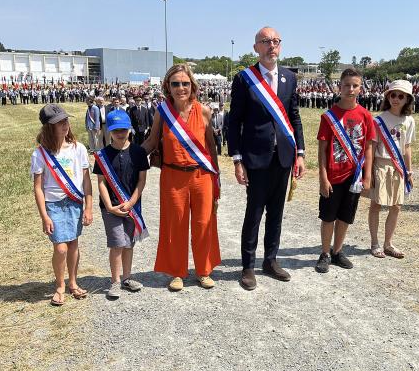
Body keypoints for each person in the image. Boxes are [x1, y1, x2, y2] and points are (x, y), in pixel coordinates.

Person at [228, 26, 306, 290]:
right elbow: (234, 121)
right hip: (256, 157)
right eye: (265, 41)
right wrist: (237, 159)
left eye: (275, 41)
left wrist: (300, 153)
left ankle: (270, 260)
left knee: (276, 213)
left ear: (280, 46)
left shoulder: (289, 78)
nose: (271, 45)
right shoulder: (244, 79)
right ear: (256, 48)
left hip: (283, 156)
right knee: (254, 213)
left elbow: (294, 117)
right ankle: (248, 266)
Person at [143, 63, 221, 292]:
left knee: (203, 223)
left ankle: (203, 270)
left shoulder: (204, 111)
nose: (181, 88)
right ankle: (177, 272)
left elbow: (211, 148)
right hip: (172, 177)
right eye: (175, 83)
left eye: (185, 83)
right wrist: (128, 157)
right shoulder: (162, 111)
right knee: (175, 225)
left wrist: (217, 178)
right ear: (168, 86)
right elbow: (150, 141)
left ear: (192, 85)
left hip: (201, 176)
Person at [31, 104, 93, 306]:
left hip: (74, 202)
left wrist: (89, 206)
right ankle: (59, 286)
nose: (65, 125)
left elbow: (86, 180)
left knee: (73, 244)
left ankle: (73, 283)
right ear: (49, 127)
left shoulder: (79, 148)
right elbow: (38, 187)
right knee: (61, 248)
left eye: (66, 120)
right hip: (54, 205)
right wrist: (44, 216)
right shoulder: (40, 154)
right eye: (59, 123)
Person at [315, 67, 375, 273]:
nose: (350, 89)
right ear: (339, 87)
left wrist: (367, 176)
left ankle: (337, 251)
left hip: (354, 177)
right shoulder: (329, 117)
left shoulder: (366, 116)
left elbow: (368, 147)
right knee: (328, 217)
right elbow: (322, 150)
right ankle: (324, 252)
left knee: (345, 216)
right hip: (333, 175)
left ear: (361, 88)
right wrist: (323, 177)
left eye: (355, 85)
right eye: (346, 85)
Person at [93, 109, 148, 299]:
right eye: (116, 130)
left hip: (131, 207)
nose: (120, 134)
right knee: (117, 244)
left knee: (128, 244)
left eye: (123, 130)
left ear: (130, 130)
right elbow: (101, 182)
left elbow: (142, 180)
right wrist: (109, 206)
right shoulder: (103, 155)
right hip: (111, 209)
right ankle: (115, 281)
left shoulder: (139, 152)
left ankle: (127, 278)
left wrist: (132, 201)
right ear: (109, 131)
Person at [367, 79, 415, 259]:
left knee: (397, 206)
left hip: (399, 168)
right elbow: (371, 147)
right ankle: (374, 243)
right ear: (388, 97)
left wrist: (409, 171)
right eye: (393, 95)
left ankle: (388, 243)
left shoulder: (409, 121)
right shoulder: (378, 120)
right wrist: (369, 171)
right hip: (381, 164)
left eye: (400, 96)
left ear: (407, 99)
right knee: (376, 204)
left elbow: (407, 147)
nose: (396, 98)